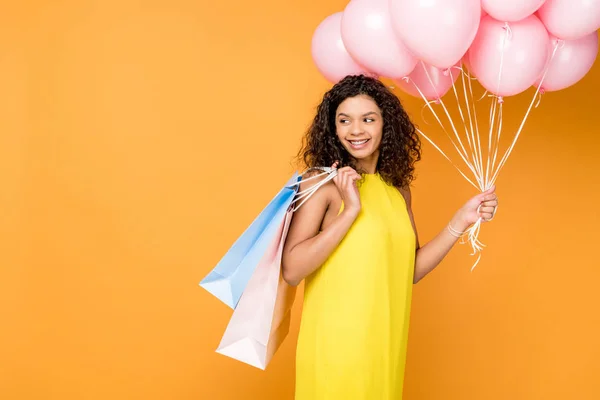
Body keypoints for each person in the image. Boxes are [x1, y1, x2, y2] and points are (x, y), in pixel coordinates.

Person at [281, 74, 498, 399]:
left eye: (368, 119)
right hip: (337, 349)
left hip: (384, 347)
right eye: (345, 120)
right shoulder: (321, 183)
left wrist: (461, 220)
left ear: (386, 125)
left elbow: (407, 270)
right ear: (333, 128)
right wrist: (350, 211)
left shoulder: (397, 190)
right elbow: (292, 269)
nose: (356, 130)